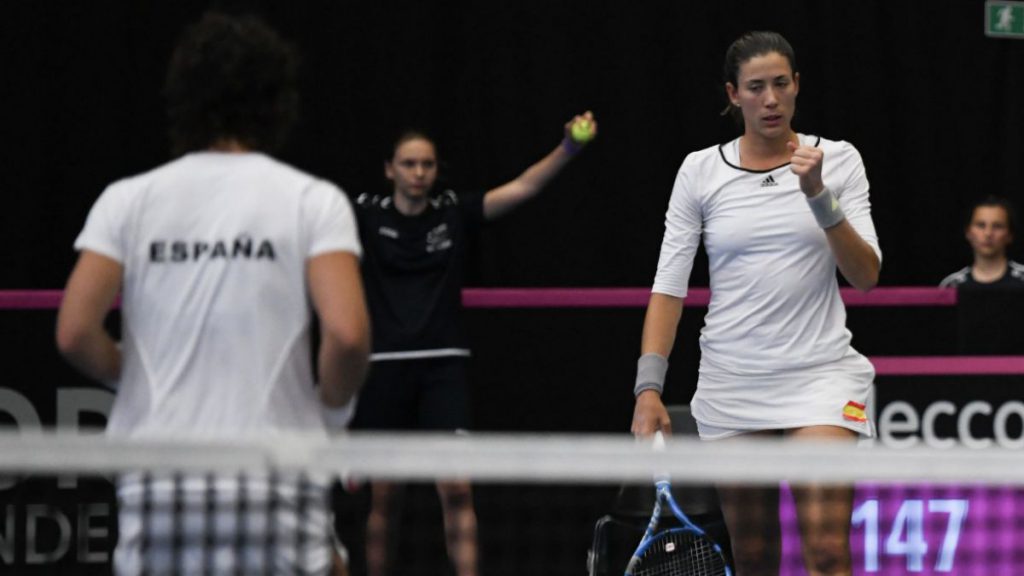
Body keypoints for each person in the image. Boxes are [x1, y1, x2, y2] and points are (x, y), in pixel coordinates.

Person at [55, 11, 369, 575]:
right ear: (277, 100)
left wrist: (125, 373)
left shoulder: (128, 200)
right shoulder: (312, 200)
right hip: (276, 478)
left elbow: (76, 331)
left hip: (159, 482)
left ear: (185, 97)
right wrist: (330, 407)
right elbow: (347, 335)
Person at [630, 31, 880, 576]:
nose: (770, 99)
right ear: (733, 94)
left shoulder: (837, 161)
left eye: (781, 84)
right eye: (756, 87)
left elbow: (865, 276)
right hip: (733, 382)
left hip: (822, 376)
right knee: (756, 557)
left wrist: (819, 195)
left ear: (796, 87)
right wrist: (648, 387)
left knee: (829, 552)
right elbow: (669, 286)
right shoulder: (700, 171)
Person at [349, 114, 596, 576]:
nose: (418, 172)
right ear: (390, 169)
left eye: (426, 164)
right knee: (384, 497)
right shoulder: (365, 216)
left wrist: (569, 148)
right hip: (384, 370)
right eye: (408, 164)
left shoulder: (452, 212)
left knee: (457, 488)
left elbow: (523, 188)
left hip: (443, 370)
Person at [939, 196, 1024, 290]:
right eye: (981, 225)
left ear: (1010, 234)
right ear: (968, 232)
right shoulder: (952, 285)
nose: (988, 233)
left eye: (997, 226)